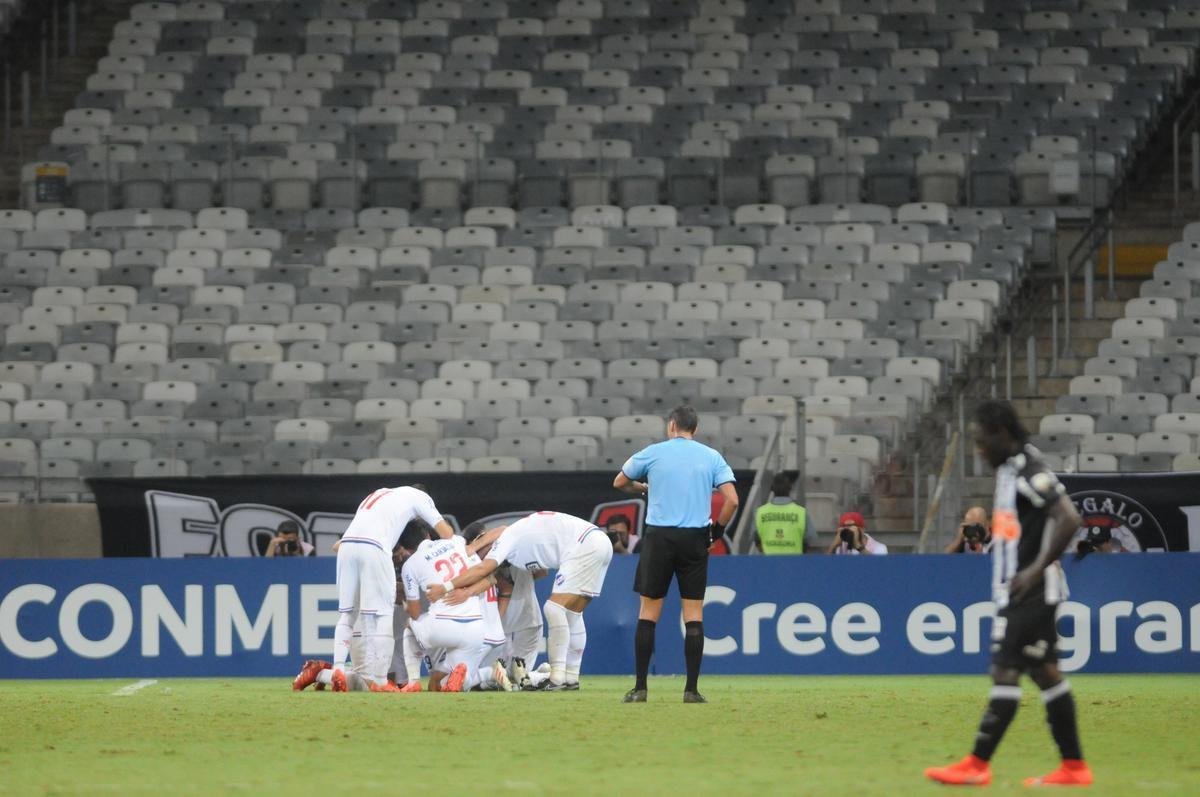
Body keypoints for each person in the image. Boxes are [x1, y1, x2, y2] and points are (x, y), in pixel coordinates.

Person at [925, 400, 1092, 788]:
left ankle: (977, 764)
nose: (978, 450)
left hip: (1030, 591)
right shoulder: (1008, 469)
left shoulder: (1028, 471)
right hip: (1024, 589)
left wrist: (1034, 570)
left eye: (982, 442)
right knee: (1045, 673)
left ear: (1003, 435)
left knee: (1005, 670)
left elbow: (1068, 517)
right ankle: (1074, 767)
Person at [612, 404, 739, 704]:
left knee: (648, 613)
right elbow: (732, 500)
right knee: (693, 613)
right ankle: (691, 690)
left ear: (671, 426)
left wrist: (645, 488)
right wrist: (716, 532)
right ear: (695, 429)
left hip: (659, 538)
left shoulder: (654, 452)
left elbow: (619, 481)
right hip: (695, 539)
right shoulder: (711, 456)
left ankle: (640, 688)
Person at [425, 510, 613, 691]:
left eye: (479, 554)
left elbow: (498, 538)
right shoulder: (516, 545)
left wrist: (446, 586)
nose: (480, 560)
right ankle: (571, 676)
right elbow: (536, 572)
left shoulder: (504, 539)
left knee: (554, 609)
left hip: (583, 545)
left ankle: (556, 678)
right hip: (599, 542)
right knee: (573, 614)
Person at [330, 485, 454, 692]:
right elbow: (447, 533)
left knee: (347, 614)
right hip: (374, 548)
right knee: (382, 617)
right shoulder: (419, 497)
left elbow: (343, 542)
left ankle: (337, 669)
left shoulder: (380, 493)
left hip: (347, 547)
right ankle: (379, 682)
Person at [398, 522, 509, 693]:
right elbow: (491, 579)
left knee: (409, 626)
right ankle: (487, 673)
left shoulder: (410, 565)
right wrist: (474, 548)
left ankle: (413, 682)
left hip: (442, 627)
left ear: (405, 548)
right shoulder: (456, 542)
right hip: (475, 630)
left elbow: (414, 613)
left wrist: (404, 601)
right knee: (442, 684)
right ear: (428, 535)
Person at [754, 472, 816, 554]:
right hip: (793, 563)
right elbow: (808, 541)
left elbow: (757, 541)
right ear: (790, 488)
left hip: (769, 563)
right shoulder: (801, 512)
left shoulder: (760, 512)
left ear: (772, 488)